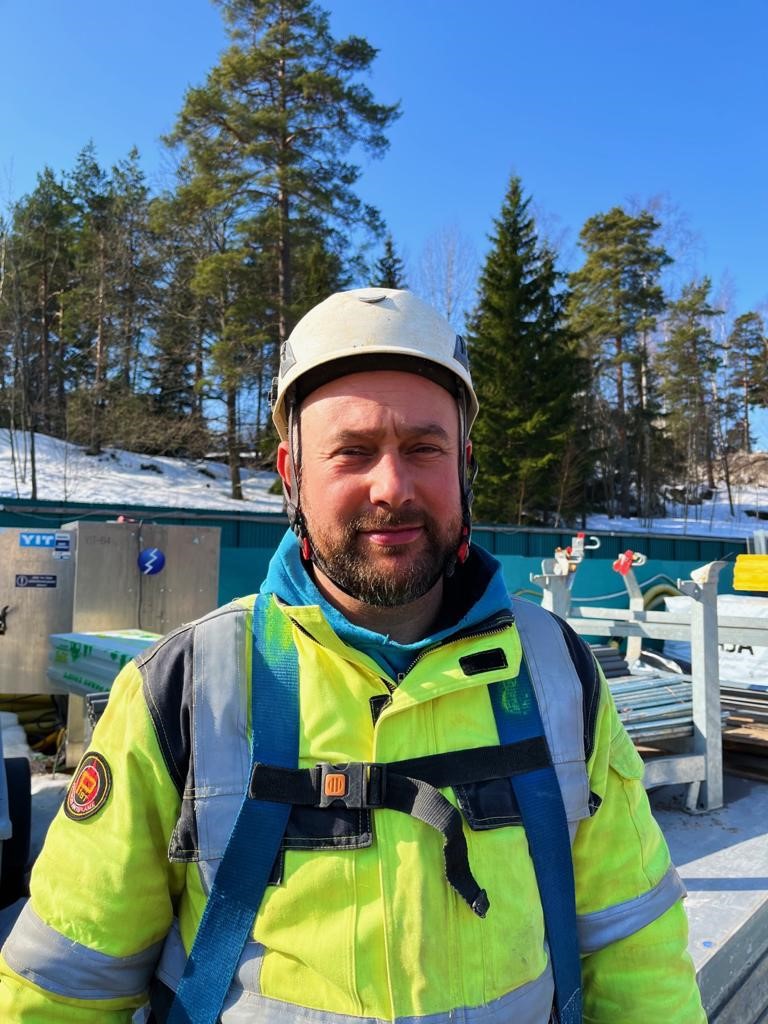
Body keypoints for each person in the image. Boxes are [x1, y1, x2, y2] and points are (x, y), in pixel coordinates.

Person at [0, 288, 705, 1023]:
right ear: (292, 474)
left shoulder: (558, 673)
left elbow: (636, 951)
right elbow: (63, 990)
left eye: (424, 449)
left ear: (464, 465)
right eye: (353, 452)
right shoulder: (182, 690)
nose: (392, 488)